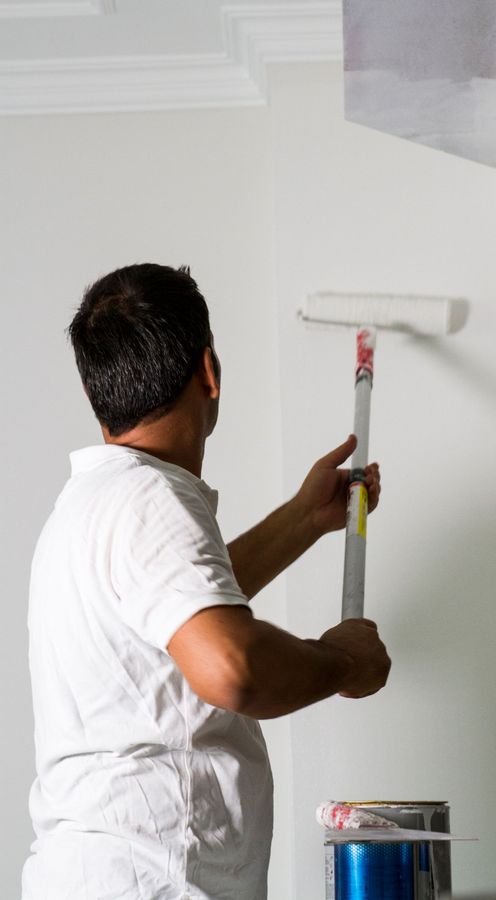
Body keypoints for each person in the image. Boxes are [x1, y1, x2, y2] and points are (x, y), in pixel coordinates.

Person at [21, 263, 391, 900]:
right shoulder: (149, 499)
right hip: (153, 883)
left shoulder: (92, 505)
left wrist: (304, 518)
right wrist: (342, 663)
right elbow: (231, 666)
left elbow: (183, 618)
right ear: (209, 372)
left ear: (97, 393)